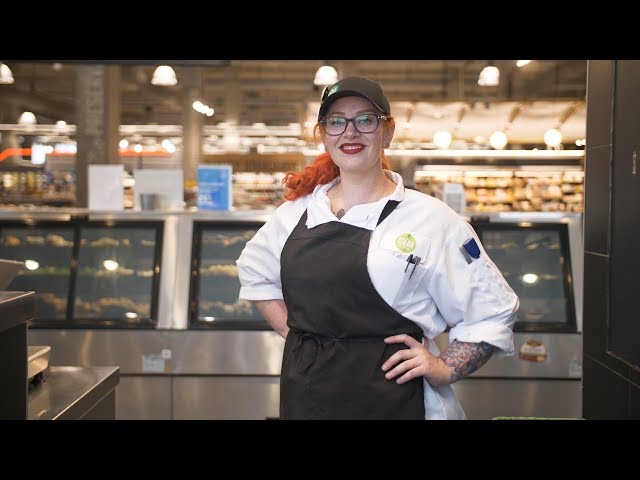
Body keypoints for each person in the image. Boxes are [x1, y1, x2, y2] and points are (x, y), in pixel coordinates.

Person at [236, 76, 519, 420]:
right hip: (308, 394)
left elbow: (492, 311)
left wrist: (445, 368)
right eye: (336, 121)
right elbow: (255, 273)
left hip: (400, 401)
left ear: (388, 132)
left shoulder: (432, 220)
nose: (350, 132)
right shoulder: (297, 213)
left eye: (365, 120)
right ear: (323, 134)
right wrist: (299, 336)